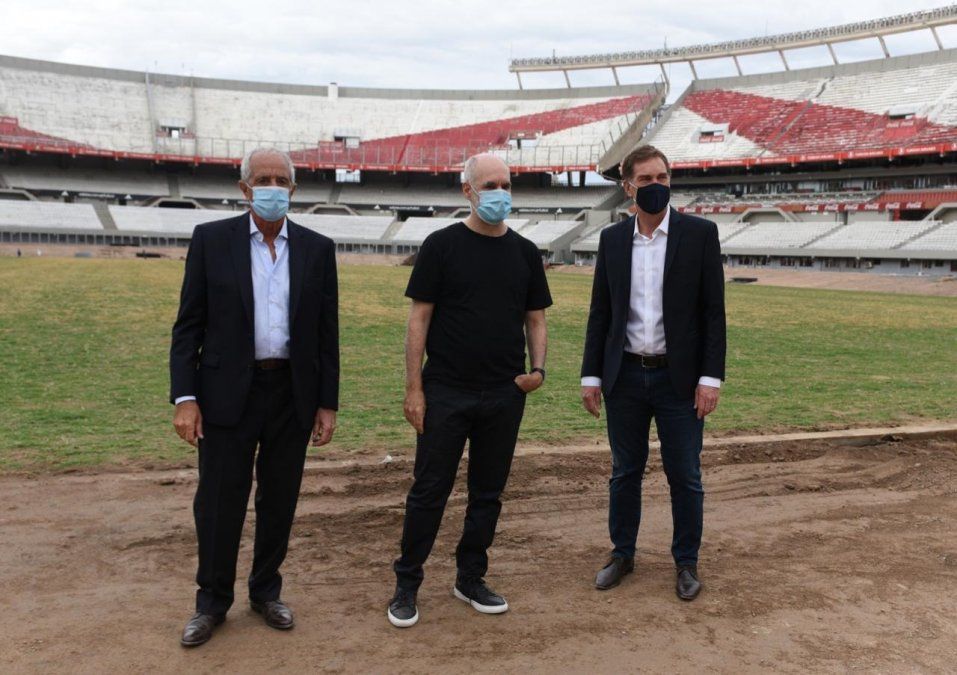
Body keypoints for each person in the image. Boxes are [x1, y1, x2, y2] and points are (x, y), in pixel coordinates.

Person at [169, 147, 339, 647]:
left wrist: (326, 402)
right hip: (224, 394)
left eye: (280, 179)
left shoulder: (317, 248)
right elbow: (188, 328)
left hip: (291, 393)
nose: (272, 186)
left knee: (279, 498)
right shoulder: (211, 241)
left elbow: (326, 333)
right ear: (244, 188)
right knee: (220, 502)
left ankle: (266, 592)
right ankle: (211, 602)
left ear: (293, 188)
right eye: (262, 178)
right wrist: (185, 397)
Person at [387, 153, 552, 628]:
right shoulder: (441, 246)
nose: (501, 192)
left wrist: (537, 371)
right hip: (445, 390)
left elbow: (536, 318)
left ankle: (470, 577)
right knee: (429, 490)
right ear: (468, 191)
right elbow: (419, 318)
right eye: (491, 184)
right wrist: (414, 387)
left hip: (504, 392)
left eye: (506, 183)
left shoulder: (524, 252)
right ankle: (407, 583)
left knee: (488, 492)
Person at [580, 144, 726, 601]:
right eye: (646, 180)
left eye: (662, 177)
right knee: (625, 471)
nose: (657, 186)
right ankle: (622, 553)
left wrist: (710, 378)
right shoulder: (612, 240)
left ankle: (686, 562)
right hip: (624, 376)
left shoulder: (700, 234)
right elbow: (601, 312)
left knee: (685, 475)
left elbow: (713, 314)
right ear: (628, 187)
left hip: (679, 381)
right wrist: (591, 375)